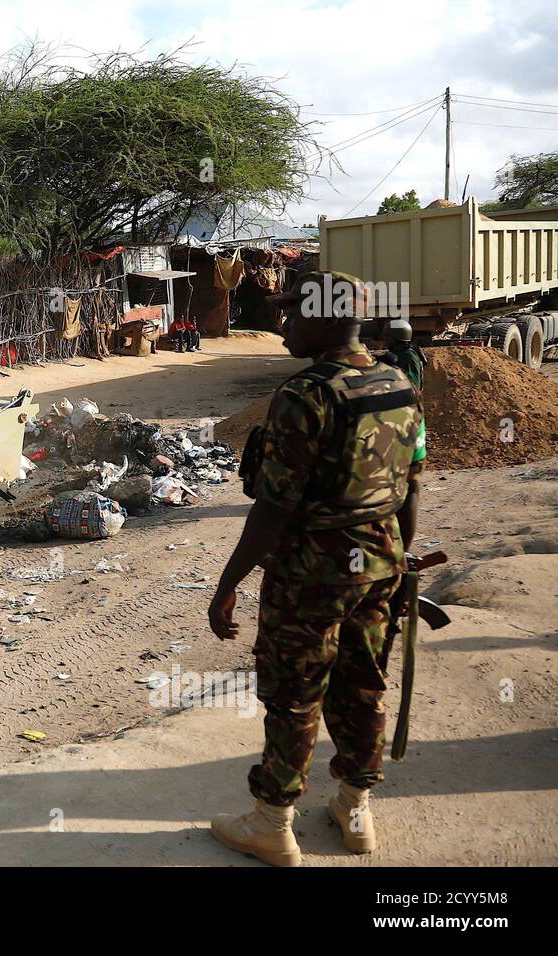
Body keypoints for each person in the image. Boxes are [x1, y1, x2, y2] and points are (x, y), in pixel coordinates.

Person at [206, 270, 425, 867]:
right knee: (362, 685)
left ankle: (273, 824)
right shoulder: (399, 383)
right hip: (378, 563)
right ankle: (355, 810)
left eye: (291, 314)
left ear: (326, 320)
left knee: (295, 692)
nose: (281, 325)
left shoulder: (306, 395)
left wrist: (228, 585)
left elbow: (275, 506)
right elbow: (409, 488)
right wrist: (401, 564)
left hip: (312, 573)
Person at [378, 320, 426, 389]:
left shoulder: (408, 356)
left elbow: (411, 385)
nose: (386, 341)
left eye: (388, 337)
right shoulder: (401, 353)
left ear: (395, 339)